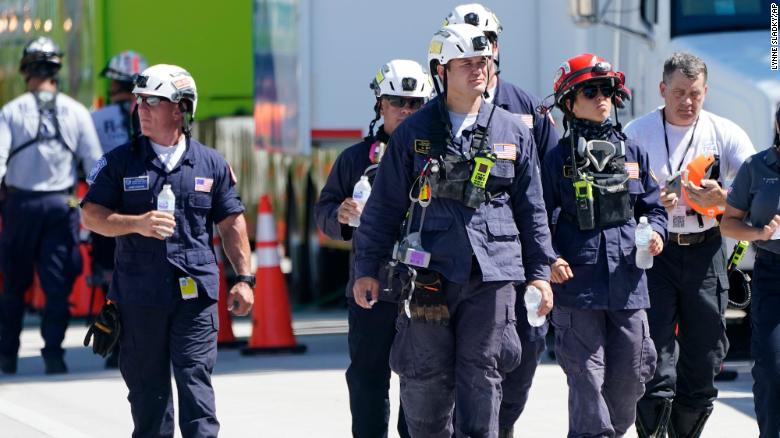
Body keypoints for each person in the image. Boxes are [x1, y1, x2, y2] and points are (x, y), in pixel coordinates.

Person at [353, 24, 556, 437]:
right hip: (429, 276)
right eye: (466, 63)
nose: (478, 70)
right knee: (426, 384)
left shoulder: (513, 131)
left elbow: (532, 207)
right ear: (441, 69)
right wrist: (367, 269)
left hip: (493, 277)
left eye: (483, 62)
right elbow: (384, 208)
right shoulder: (413, 133)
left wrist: (540, 272)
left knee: (483, 376)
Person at [81, 64, 254, 437]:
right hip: (139, 298)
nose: (140, 108)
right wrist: (135, 223)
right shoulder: (118, 162)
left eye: (152, 101)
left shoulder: (211, 164)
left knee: (196, 388)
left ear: (180, 108)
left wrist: (244, 279)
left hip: (195, 297)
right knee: (149, 400)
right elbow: (91, 216)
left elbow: (231, 223)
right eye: (139, 100)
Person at [442, 5, 560, 434]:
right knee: (453, 368)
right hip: (451, 264)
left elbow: (549, 188)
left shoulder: (523, 108)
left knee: (524, 354)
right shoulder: (434, 115)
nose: (480, 52)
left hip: (515, 260)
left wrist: (546, 260)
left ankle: (498, 426)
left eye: (487, 41)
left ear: (497, 46)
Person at [625, 52, 755, 437]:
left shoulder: (724, 132)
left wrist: (724, 200)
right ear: (662, 90)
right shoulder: (637, 132)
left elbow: (757, 192)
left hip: (705, 249)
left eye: (695, 94)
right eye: (679, 92)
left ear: (706, 92)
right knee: (654, 358)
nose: (687, 102)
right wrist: (647, 201)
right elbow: (616, 197)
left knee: (704, 356)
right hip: (655, 252)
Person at [541, 52, 666, 438]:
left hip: (628, 284)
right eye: (590, 91)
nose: (602, 98)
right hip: (578, 287)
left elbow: (653, 206)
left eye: (608, 91)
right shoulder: (556, 159)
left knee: (632, 373)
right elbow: (536, 217)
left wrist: (658, 232)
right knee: (585, 375)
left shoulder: (633, 154)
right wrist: (549, 258)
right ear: (569, 102)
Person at [314, 58, 429, 438]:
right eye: (398, 102)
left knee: (421, 378)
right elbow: (324, 212)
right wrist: (341, 215)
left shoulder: (436, 157)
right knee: (367, 377)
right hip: (371, 285)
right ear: (380, 105)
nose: (407, 111)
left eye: (416, 104)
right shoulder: (354, 160)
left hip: (426, 286)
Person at [0, 36, 102, 375]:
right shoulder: (76, 111)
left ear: (25, 71)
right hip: (62, 205)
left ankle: (7, 355)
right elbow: (95, 164)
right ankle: (54, 356)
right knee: (56, 285)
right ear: (56, 71)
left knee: (14, 284)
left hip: (20, 207)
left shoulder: (11, 111)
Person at [720, 105, 780, 438]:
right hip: (771, 272)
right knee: (771, 370)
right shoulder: (756, 167)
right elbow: (728, 223)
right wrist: (759, 233)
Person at [90, 50, 149, 369]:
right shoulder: (155, 112)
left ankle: (114, 342)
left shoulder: (96, 118)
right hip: (147, 211)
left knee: (110, 275)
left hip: (108, 211)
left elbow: (88, 162)